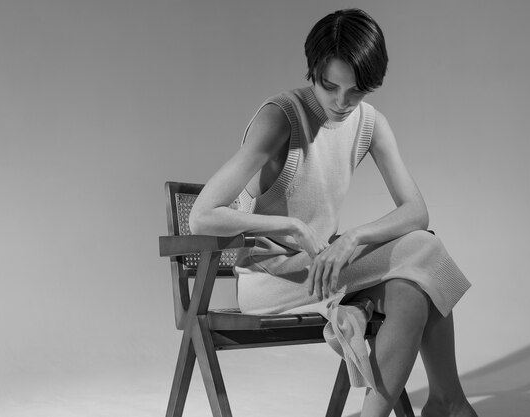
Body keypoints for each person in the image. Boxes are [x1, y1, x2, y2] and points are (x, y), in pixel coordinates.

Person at [189, 8, 478, 417]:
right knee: (423, 249)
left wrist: (355, 239)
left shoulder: (369, 123)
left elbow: (416, 210)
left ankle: (429, 406)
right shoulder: (281, 117)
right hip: (271, 279)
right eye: (330, 87)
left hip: (324, 271)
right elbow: (202, 217)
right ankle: (452, 404)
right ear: (314, 71)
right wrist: (290, 226)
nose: (342, 102)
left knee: (411, 289)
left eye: (356, 91)